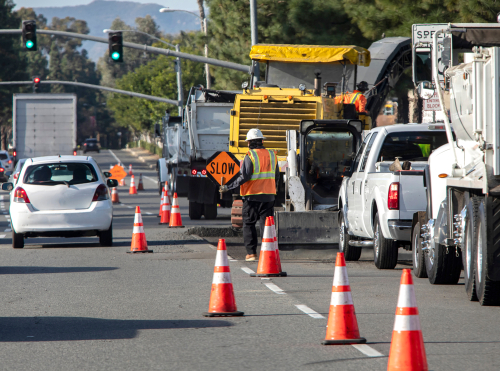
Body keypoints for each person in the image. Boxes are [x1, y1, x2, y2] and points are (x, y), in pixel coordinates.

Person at [219, 128, 280, 261]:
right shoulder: (272, 155)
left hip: (252, 196)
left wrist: (228, 187)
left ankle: (251, 253)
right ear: (262, 141)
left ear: (249, 143)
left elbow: (244, 176)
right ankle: (268, 254)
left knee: (249, 224)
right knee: (267, 226)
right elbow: (276, 177)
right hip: (268, 196)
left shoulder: (250, 156)